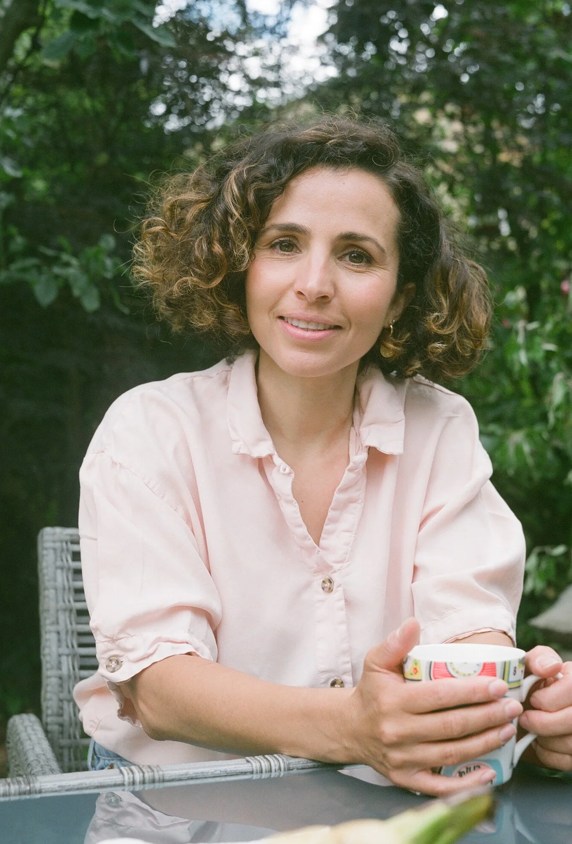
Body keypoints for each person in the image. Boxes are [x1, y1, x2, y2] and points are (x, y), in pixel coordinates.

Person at [74, 114, 572, 796]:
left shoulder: (440, 427)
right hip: (170, 806)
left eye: (356, 256)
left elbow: (468, 635)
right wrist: (351, 727)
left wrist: (520, 713)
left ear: (398, 298)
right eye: (283, 244)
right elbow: (159, 690)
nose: (314, 283)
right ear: (239, 265)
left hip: (379, 809)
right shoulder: (148, 430)